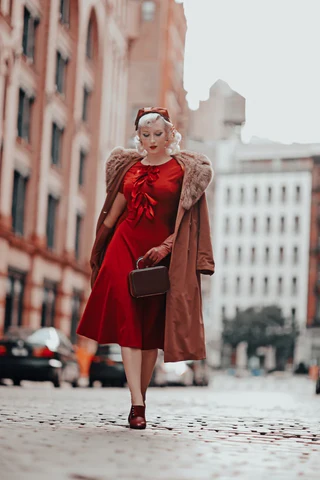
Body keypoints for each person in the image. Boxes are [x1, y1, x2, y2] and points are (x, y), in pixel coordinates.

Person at [76, 106, 215, 429]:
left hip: (161, 256)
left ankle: (142, 397)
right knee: (128, 324)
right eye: (145, 134)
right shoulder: (130, 168)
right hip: (123, 247)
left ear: (170, 134)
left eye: (157, 134)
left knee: (150, 332)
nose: (151, 140)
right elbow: (114, 212)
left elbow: (187, 222)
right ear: (138, 136)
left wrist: (165, 247)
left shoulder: (185, 172)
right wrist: (100, 245)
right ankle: (136, 404)